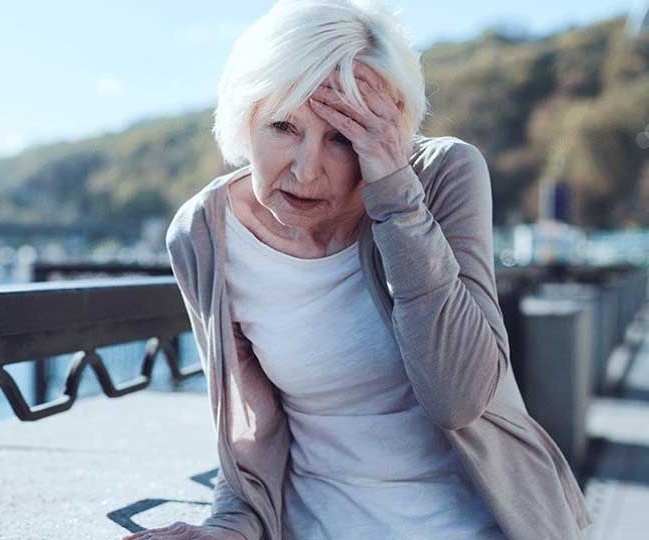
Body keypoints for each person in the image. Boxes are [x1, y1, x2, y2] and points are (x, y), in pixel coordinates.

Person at [124, 0, 592, 539]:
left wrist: (396, 197)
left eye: (344, 137)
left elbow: (459, 398)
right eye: (282, 125)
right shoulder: (204, 234)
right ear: (244, 115)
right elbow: (249, 433)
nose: (305, 169)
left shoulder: (442, 178)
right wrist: (227, 529)